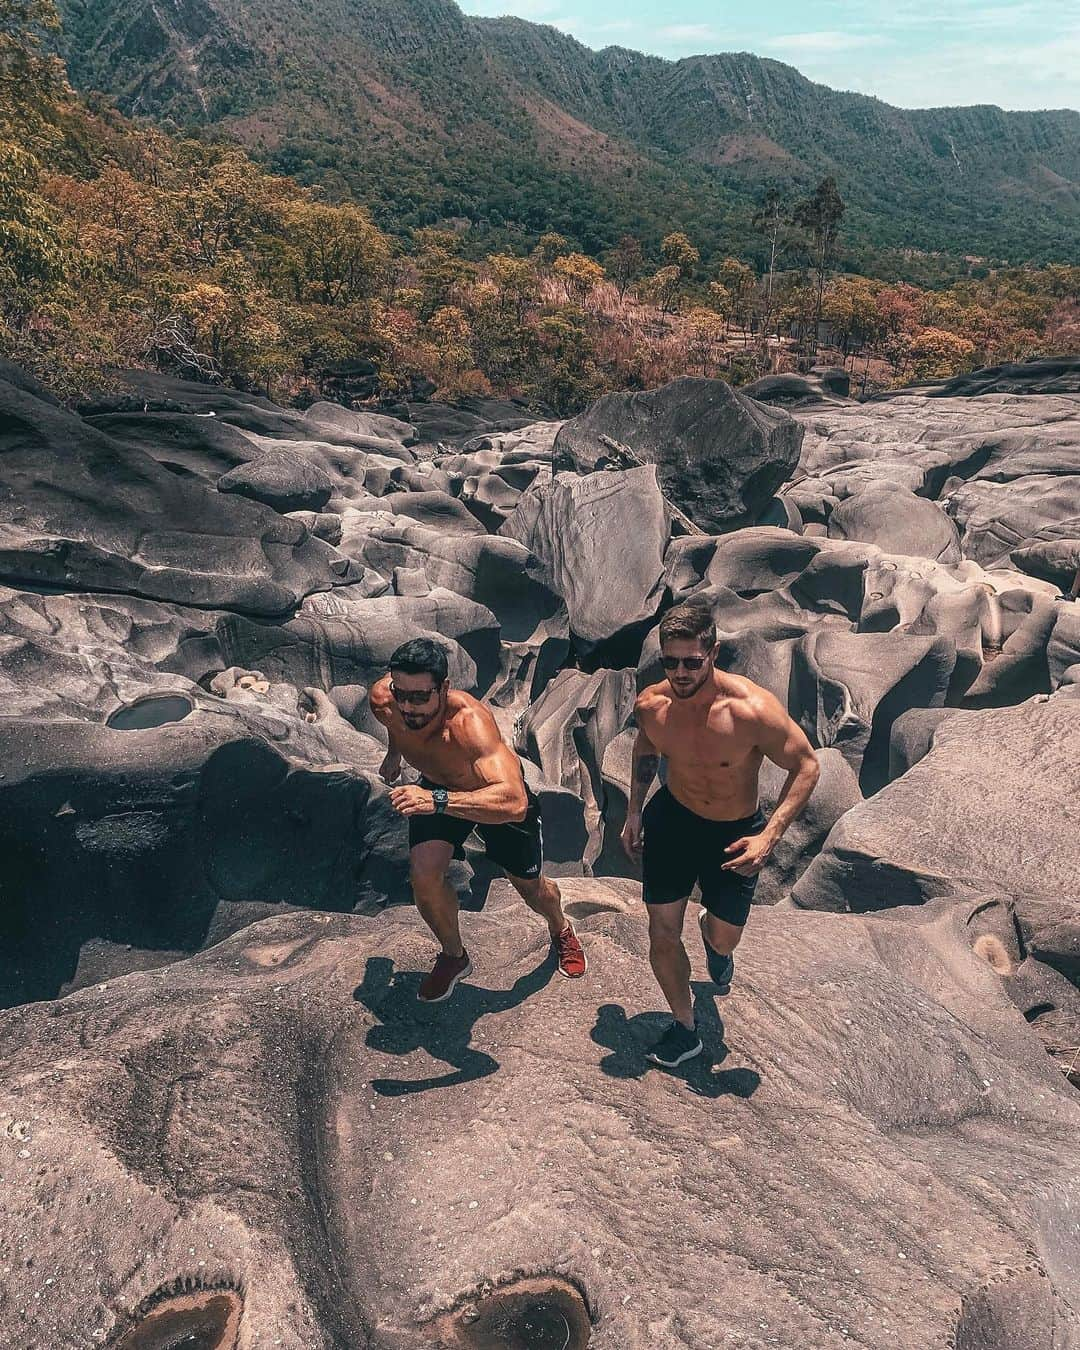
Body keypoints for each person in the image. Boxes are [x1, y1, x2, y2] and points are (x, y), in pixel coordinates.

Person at [621, 603, 820, 1067]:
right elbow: (646, 748)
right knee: (661, 932)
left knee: (725, 937)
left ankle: (713, 942)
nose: (681, 672)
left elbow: (807, 765)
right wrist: (633, 812)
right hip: (673, 821)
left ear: (713, 653)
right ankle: (685, 1028)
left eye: (692, 661)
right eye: (671, 661)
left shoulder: (750, 709)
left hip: (734, 832)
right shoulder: (652, 704)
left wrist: (769, 838)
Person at [370, 637, 586, 1002]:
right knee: (423, 876)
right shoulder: (385, 701)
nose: (408, 706)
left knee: (532, 889)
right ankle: (455, 957)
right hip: (436, 792)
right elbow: (396, 722)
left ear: (445, 689)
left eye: (421, 697)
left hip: (489, 800)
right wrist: (395, 754)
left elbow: (514, 801)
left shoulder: (470, 725)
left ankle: (561, 928)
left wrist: (435, 799)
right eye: (401, 693)